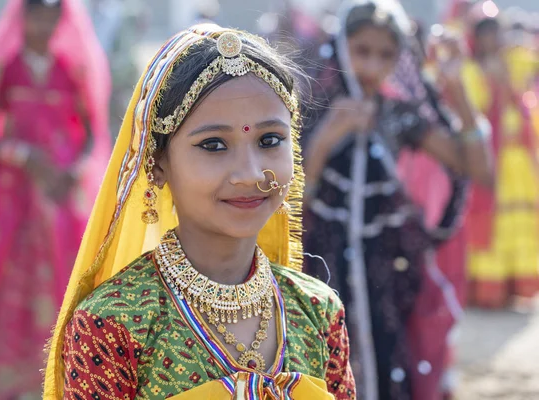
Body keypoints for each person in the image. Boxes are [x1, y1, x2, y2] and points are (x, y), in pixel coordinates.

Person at [43, 25, 356, 400]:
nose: (250, 174)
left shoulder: (318, 312)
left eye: (269, 140)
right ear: (157, 164)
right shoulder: (115, 322)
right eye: (213, 145)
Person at [302, 1, 492, 399]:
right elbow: (286, 200)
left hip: (385, 271)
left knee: (386, 358)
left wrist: (456, 88)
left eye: (385, 55)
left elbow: (476, 168)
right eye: (362, 51)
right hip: (318, 268)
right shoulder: (310, 106)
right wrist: (325, 138)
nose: (371, 66)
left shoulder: (394, 113)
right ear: (340, 48)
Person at [0, 0, 110, 398]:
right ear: (22, 16)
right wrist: (24, 156)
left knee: (67, 287)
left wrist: (73, 171)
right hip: (14, 203)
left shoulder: (71, 69)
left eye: (52, 13)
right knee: (5, 291)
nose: (44, 21)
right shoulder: (6, 69)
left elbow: (92, 133)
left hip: (58, 202)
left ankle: (63, 378)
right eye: (36, 12)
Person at [463, 3, 539, 308]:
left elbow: (524, 78)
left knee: (515, 218)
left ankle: (513, 283)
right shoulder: (471, 70)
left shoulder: (513, 62)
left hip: (514, 158)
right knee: (487, 218)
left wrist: (504, 76)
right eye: (486, 34)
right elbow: (473, 111)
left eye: (496, 33)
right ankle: (485, 288)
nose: (492, 40)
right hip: (487, 157)